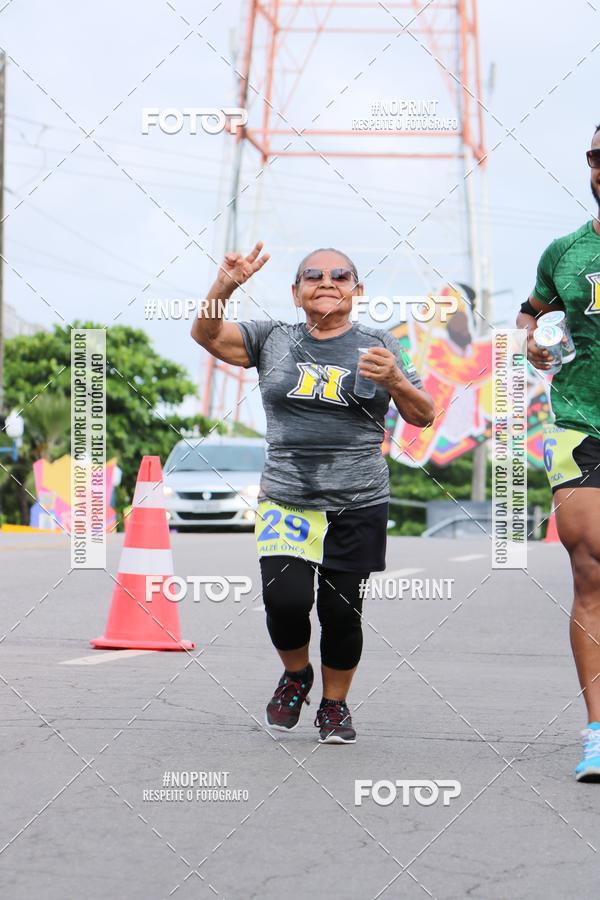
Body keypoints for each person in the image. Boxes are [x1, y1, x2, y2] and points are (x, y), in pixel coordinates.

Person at [192, 242, 434, 743]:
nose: (327, 282)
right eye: (313, 276)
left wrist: (395, 379)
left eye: (340, 275)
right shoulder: (272, 338)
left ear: (357, 290)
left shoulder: (379, 344)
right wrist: (226, 285)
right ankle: (297, 674)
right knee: (285, 601)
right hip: (287, 496)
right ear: (296, 291)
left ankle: (334, 704)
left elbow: (423, 414)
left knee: (341, 611)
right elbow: (207, 334)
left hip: (357, 499)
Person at [517, 123, 600, 780]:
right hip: (578, 421)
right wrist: (530, 342)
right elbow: (531, 313)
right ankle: (599, 731)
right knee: (591, 569)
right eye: (599, 158)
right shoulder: (565, 251)